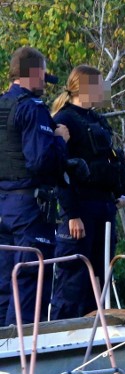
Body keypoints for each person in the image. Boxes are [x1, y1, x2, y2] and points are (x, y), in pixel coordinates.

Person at [50, 65, 125, 319]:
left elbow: (111, 160)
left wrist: (119, 192)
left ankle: (94, 341)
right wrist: (71, 213)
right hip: (80, 210)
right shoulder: (64, 119)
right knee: (73, 280)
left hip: (104, 208)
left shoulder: (97, 120)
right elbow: (59, 170)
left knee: (100, 277)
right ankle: (64, 338)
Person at [0, 46, 69, 326]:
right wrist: (60, 141)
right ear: (35, 73)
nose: (45, 83)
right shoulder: (31, 108)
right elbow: (41, 161)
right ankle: (23, 360)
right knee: (30, 281)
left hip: (3, 205)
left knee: (4, 282)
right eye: (43, 76)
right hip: (29, 206)